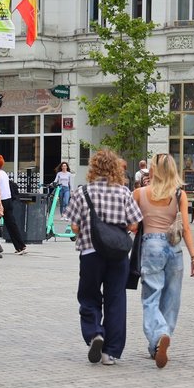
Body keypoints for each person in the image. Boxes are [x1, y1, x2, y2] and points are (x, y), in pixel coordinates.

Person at [64, 149, 143, 366]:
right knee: (116, 299)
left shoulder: (83, 193)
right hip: (118, 254)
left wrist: (91, 229)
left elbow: (74, 226)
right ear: (116, 168)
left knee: (89, 296)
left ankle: (94, 333)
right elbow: (134, 224)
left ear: (94, 168)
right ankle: (111, 353)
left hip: (90, 253)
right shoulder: (124, 193)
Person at [133, 153, 194, 368]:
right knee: (171, 299)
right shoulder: (179, 194)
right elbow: (186, 228)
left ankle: (159, 335)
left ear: (153, 170)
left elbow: (132, 226)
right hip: (174, 247)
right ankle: (161, 340)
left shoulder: (139, 193)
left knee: (151, 297)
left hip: (151, 246)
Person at [0, 154, 27, 255]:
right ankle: (20, 246)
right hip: (8, 200)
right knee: (11, 224)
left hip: (0, 201)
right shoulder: (4, 173)